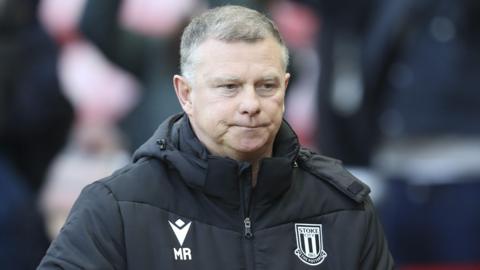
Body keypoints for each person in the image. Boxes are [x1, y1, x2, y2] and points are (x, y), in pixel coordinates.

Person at [37, 5, 393, 269]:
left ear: (285, 87)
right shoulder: (117, 208)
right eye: (229, 87)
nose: (251, 104)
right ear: (185, 93)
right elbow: (97, 27)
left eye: (266, 86)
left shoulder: (344, 208)